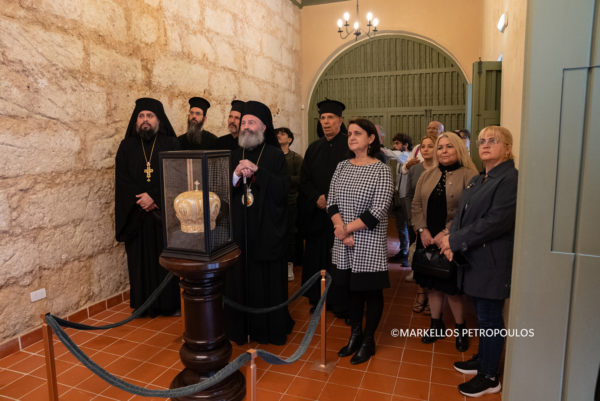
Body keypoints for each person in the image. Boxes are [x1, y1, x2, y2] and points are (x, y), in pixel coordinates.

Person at [438, 126, 518, 397]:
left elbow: (495, 222)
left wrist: (455, 241)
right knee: (483, 316)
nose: (484, 144)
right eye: (482, 140)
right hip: (474, 257)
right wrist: (451, 238)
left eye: (493, 140)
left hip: (492, 261)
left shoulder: (509, 179)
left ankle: (489, 376)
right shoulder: (480, 178)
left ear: (507, 148)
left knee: (490, 318)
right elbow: (462, 215)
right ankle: (483, 359)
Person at [224, 100, 294, 345]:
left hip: (266, 232)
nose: (245, 126)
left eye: (251, 122)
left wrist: (258, 172)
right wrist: (235, 175)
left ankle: (267, 330)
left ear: (264, 127)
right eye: (243, 122)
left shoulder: (275, 155)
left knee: (265, 281)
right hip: (239, 231)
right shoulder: (234, 155)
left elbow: (283, 190)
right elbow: (223, 192)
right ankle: (239, 328)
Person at [327, 118, 393, 365]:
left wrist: (346, 229)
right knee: (351, 290)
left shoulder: (381, 170)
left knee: (371, 291)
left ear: (371, 138)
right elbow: (332, 201)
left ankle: (368, 340)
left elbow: (378, 210)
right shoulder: (341, 166)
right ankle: (355, 334)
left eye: (358, 133)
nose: (352, 137)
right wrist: (340, 229)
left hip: (368, 242)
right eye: (350, 133)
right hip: (344, 241)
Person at [411, 132, 477, 351]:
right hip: (427, 238)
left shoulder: (470, 175)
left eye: (449, 146)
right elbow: (416, 205)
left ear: (459, 148)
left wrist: (447, 232)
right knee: (432, 285)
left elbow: (470, 211)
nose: (444, 151)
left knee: (452, 288)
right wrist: (422, 230)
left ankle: (460, 328)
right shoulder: (427, 175)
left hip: (452, 240)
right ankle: (436, 325)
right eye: (440, 147)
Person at [114, 97, 181, 316]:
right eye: (141, 116)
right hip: (136, 215)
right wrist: (141, 199)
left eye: (150, 116)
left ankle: (169, 305)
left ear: (159, 120)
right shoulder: (127, 146)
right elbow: (122, 180)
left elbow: (177, 177)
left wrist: (154, 197)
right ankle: (143, 306)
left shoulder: (171, 144)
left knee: (165, 260)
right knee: (139, 262)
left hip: (162, 215)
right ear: (136, 120)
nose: (145, 120)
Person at [298, 98, 349, 317]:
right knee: (317, 258)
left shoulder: (349, 147)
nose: (326, 122)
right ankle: (318, 299)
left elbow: (352, 180)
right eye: (323, 118)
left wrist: (332, 200)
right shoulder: (314, 148)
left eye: (330, 117)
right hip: (318, 215)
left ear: (340, 120)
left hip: (343, 216)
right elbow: (304, 179)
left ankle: (341, 302)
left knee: (340, 259)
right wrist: (317, 197)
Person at [405, 134, 437, 310]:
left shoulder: (441, 168)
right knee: (419, 258)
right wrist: (413, 219)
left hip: (436, 221)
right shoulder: (415, 169)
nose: (425, 149)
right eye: (423, 146)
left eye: (430, 146)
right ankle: (420, 292)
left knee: (435, 259)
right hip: (418, 221)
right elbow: (409, 195)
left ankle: (433, 297)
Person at [276, 127, 303, 281]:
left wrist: (284, 180)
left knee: (290, 233)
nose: (279, 135)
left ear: (290, 139)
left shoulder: (296, 158)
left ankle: (289, 264)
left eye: (283, 134)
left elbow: (301, 178)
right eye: (277, 134)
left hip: (291, 201)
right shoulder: (273, 157)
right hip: (274, 201)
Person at [388, 133, 412, 265]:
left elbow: (392, 154)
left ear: (406, 145)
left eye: (397, 143)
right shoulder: (399, 158)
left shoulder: (407, 156)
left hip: (406, 197)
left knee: (408, 226)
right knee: (400, 225)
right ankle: (403, 251)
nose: (394, 146)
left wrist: (381, 149)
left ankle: (409, 254)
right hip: (398, 195)